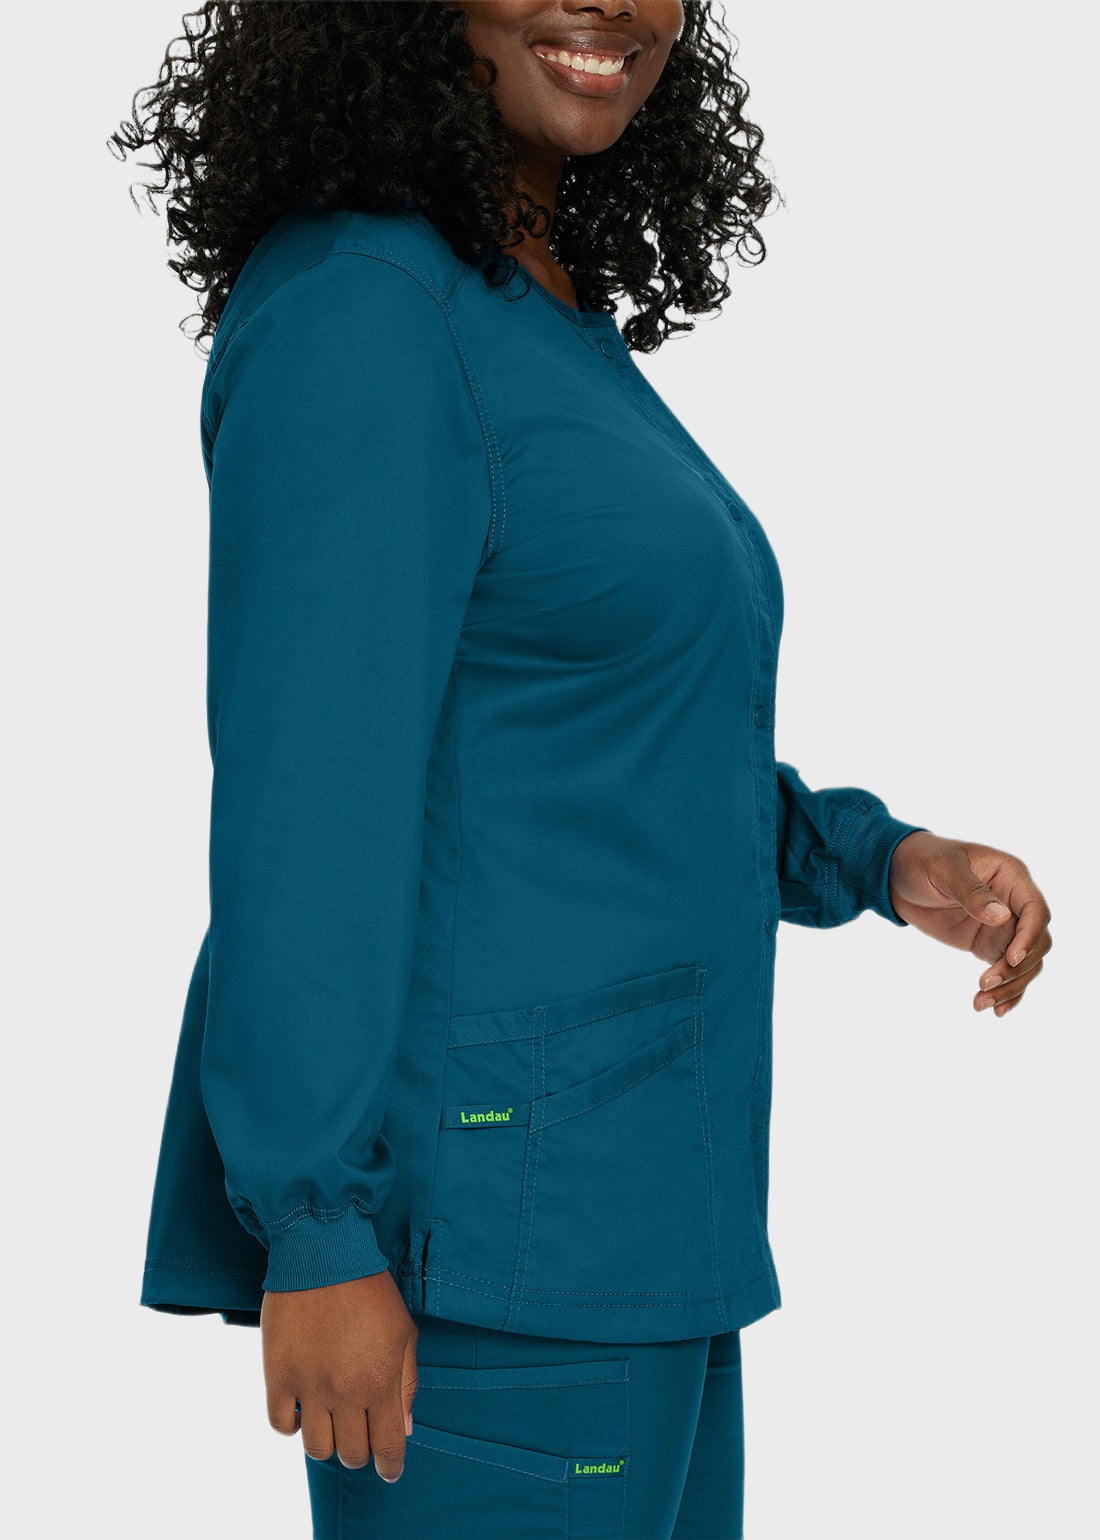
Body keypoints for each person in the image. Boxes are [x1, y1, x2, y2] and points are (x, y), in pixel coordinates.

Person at [112, 3, 1053, 1536]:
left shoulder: (524, 312)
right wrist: (316, 1224)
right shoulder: (366, 312)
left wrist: (878, 861)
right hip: (484, 1257)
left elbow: (581, 749)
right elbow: (309, 808)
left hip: (641, 1234)